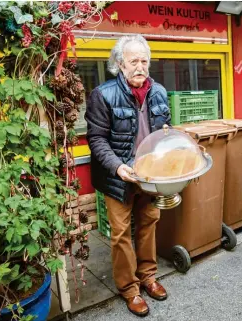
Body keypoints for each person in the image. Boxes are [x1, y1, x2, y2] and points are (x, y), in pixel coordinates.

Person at [85, 35, 171, 316]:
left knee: (149, 223)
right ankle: (130, 289)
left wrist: (169, 138)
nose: (140, 66)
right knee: (121, 234)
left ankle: (148, 277)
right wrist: (117, 167)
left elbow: (163, 129)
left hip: (149, 175)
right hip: (118, 176)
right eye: (133, 61)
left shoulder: (158, 91)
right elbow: (96, 139)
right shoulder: (103, 94)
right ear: (120, 64)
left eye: (144, 60)